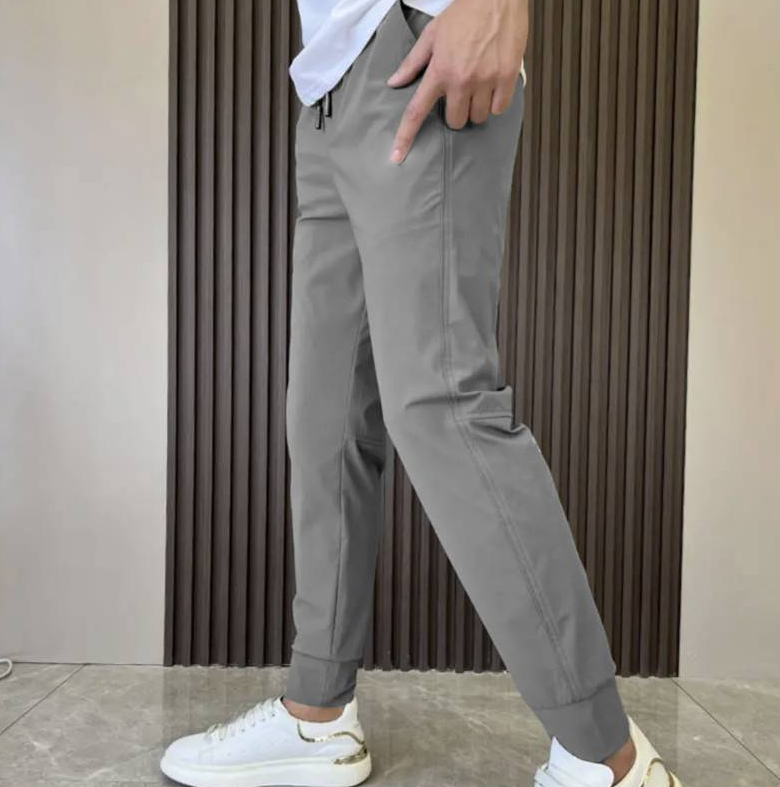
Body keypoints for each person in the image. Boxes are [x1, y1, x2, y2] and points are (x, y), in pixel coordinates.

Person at [160, 1, 682, 786]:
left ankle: (607, 754)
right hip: (328, 86)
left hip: (417, 41)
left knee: (442, 404)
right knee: (326, 418)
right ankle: (316, 714)